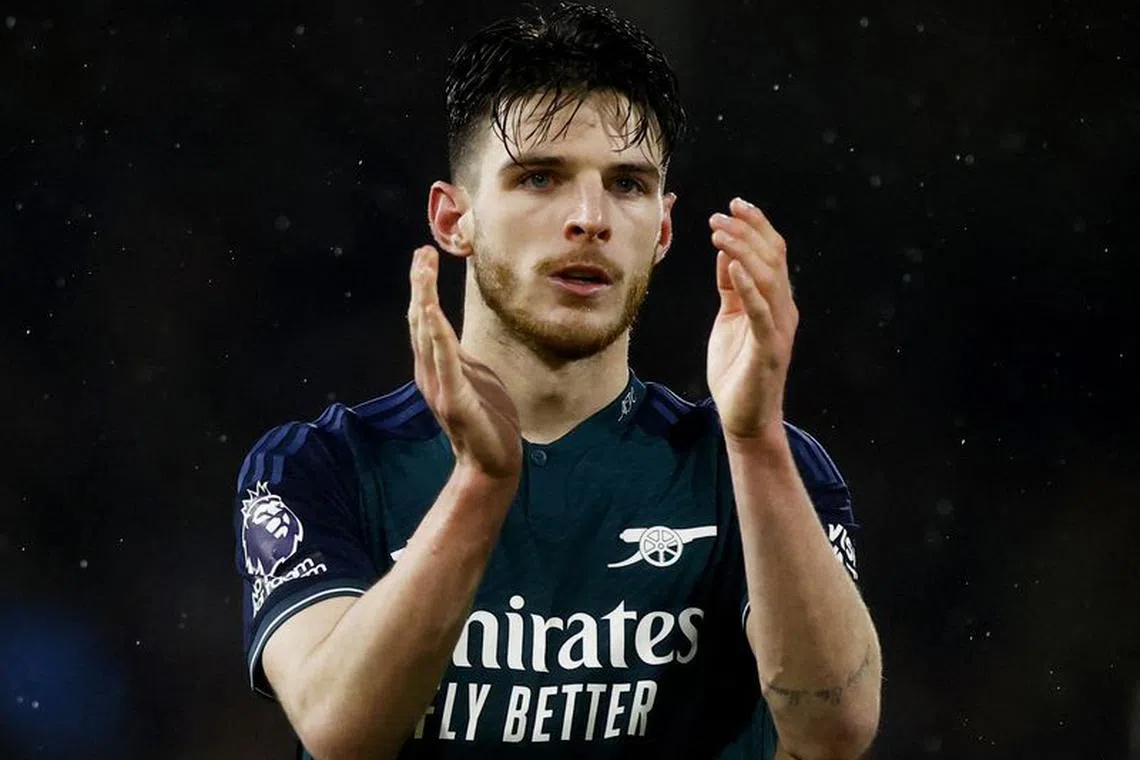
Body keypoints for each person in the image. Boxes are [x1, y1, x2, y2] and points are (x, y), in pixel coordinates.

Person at [232, 4, 881, 758]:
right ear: (453, 220)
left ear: (664, 231)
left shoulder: (760, 469)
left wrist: (756, 438)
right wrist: (481, 485)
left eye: (628, 185)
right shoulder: (318, 467)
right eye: (539, 177)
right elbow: (342, 728)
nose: (589, 218)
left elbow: (835, 730)